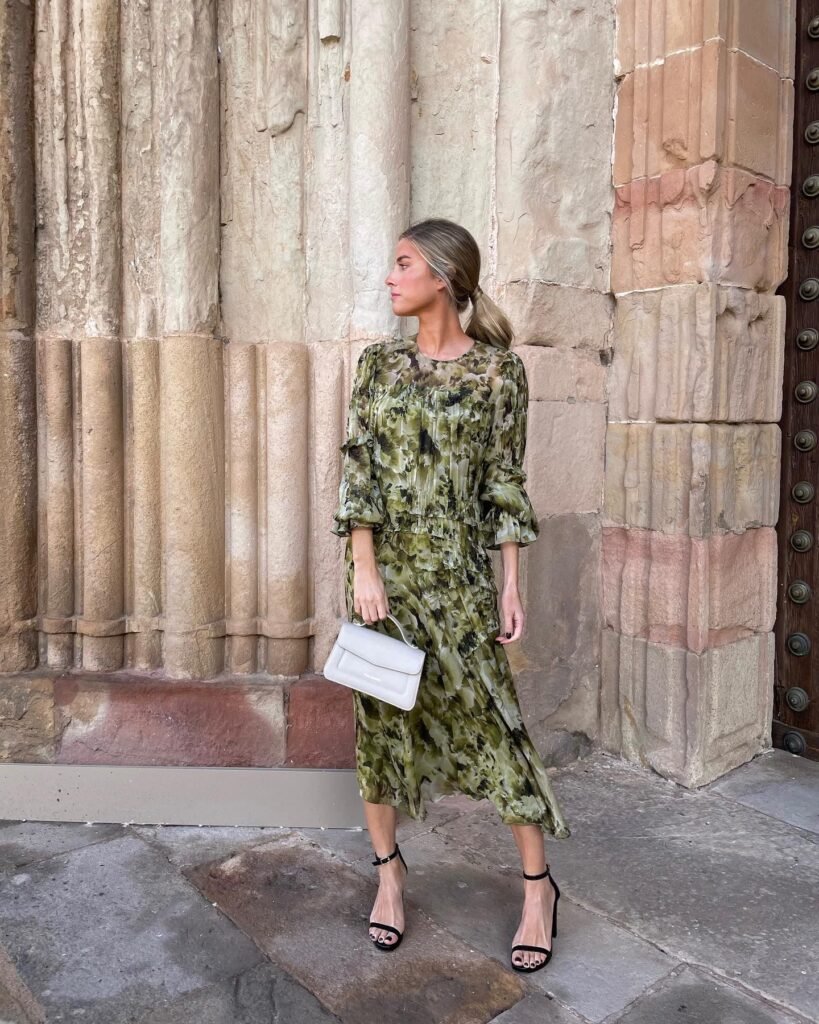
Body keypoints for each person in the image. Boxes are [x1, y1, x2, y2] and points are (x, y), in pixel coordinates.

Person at [330, 217, 570, 973]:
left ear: (442, 276)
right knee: (381, 722)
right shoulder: (378, 365)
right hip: (386, 579)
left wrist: (510, 583)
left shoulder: (499, 373)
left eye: (403, 263)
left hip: (461, 577)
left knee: (496, 724)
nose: (390, 277)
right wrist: (365, 567)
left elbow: (504, 482)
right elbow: (360, 469)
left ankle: (538, 889)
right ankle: (388, 875)